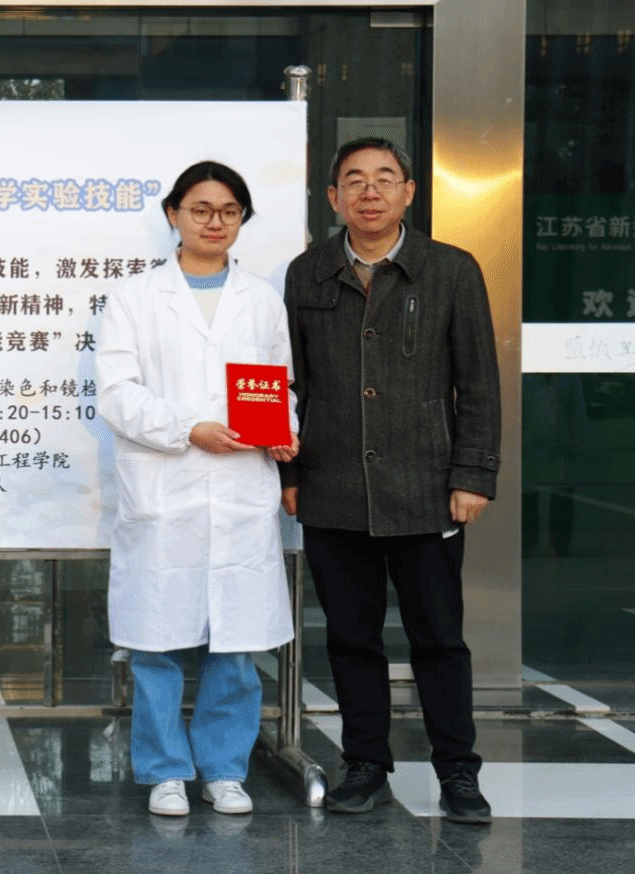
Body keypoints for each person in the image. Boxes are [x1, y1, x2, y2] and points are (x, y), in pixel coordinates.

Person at [278, 137, 501, 825]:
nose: (369, 191)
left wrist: (473, 475)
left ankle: (458, 772)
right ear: (333, 197)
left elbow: (479, 383)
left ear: (409, 191)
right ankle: (365, 765)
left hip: (427, 488)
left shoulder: (451, 270)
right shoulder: (307, 274)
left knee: (439, 639)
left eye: (384, 178)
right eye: (354, 180)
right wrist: (291, 471)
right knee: (351, 639)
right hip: (333, 486)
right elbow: (292, 382)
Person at [97, 160, 299, 817]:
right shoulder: (134, 297)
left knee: (234, 643)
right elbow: (117, 394)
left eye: (229, 211)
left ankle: (224, 769)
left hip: (240, 485)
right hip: (166, 483)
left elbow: (277, 385)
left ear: (242, 220)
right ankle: (164, 771)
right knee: (156, 643)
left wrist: (285, 430)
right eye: (202, 210)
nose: (216, 222)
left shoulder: (261, 299)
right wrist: (188, 429)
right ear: (173, 215)